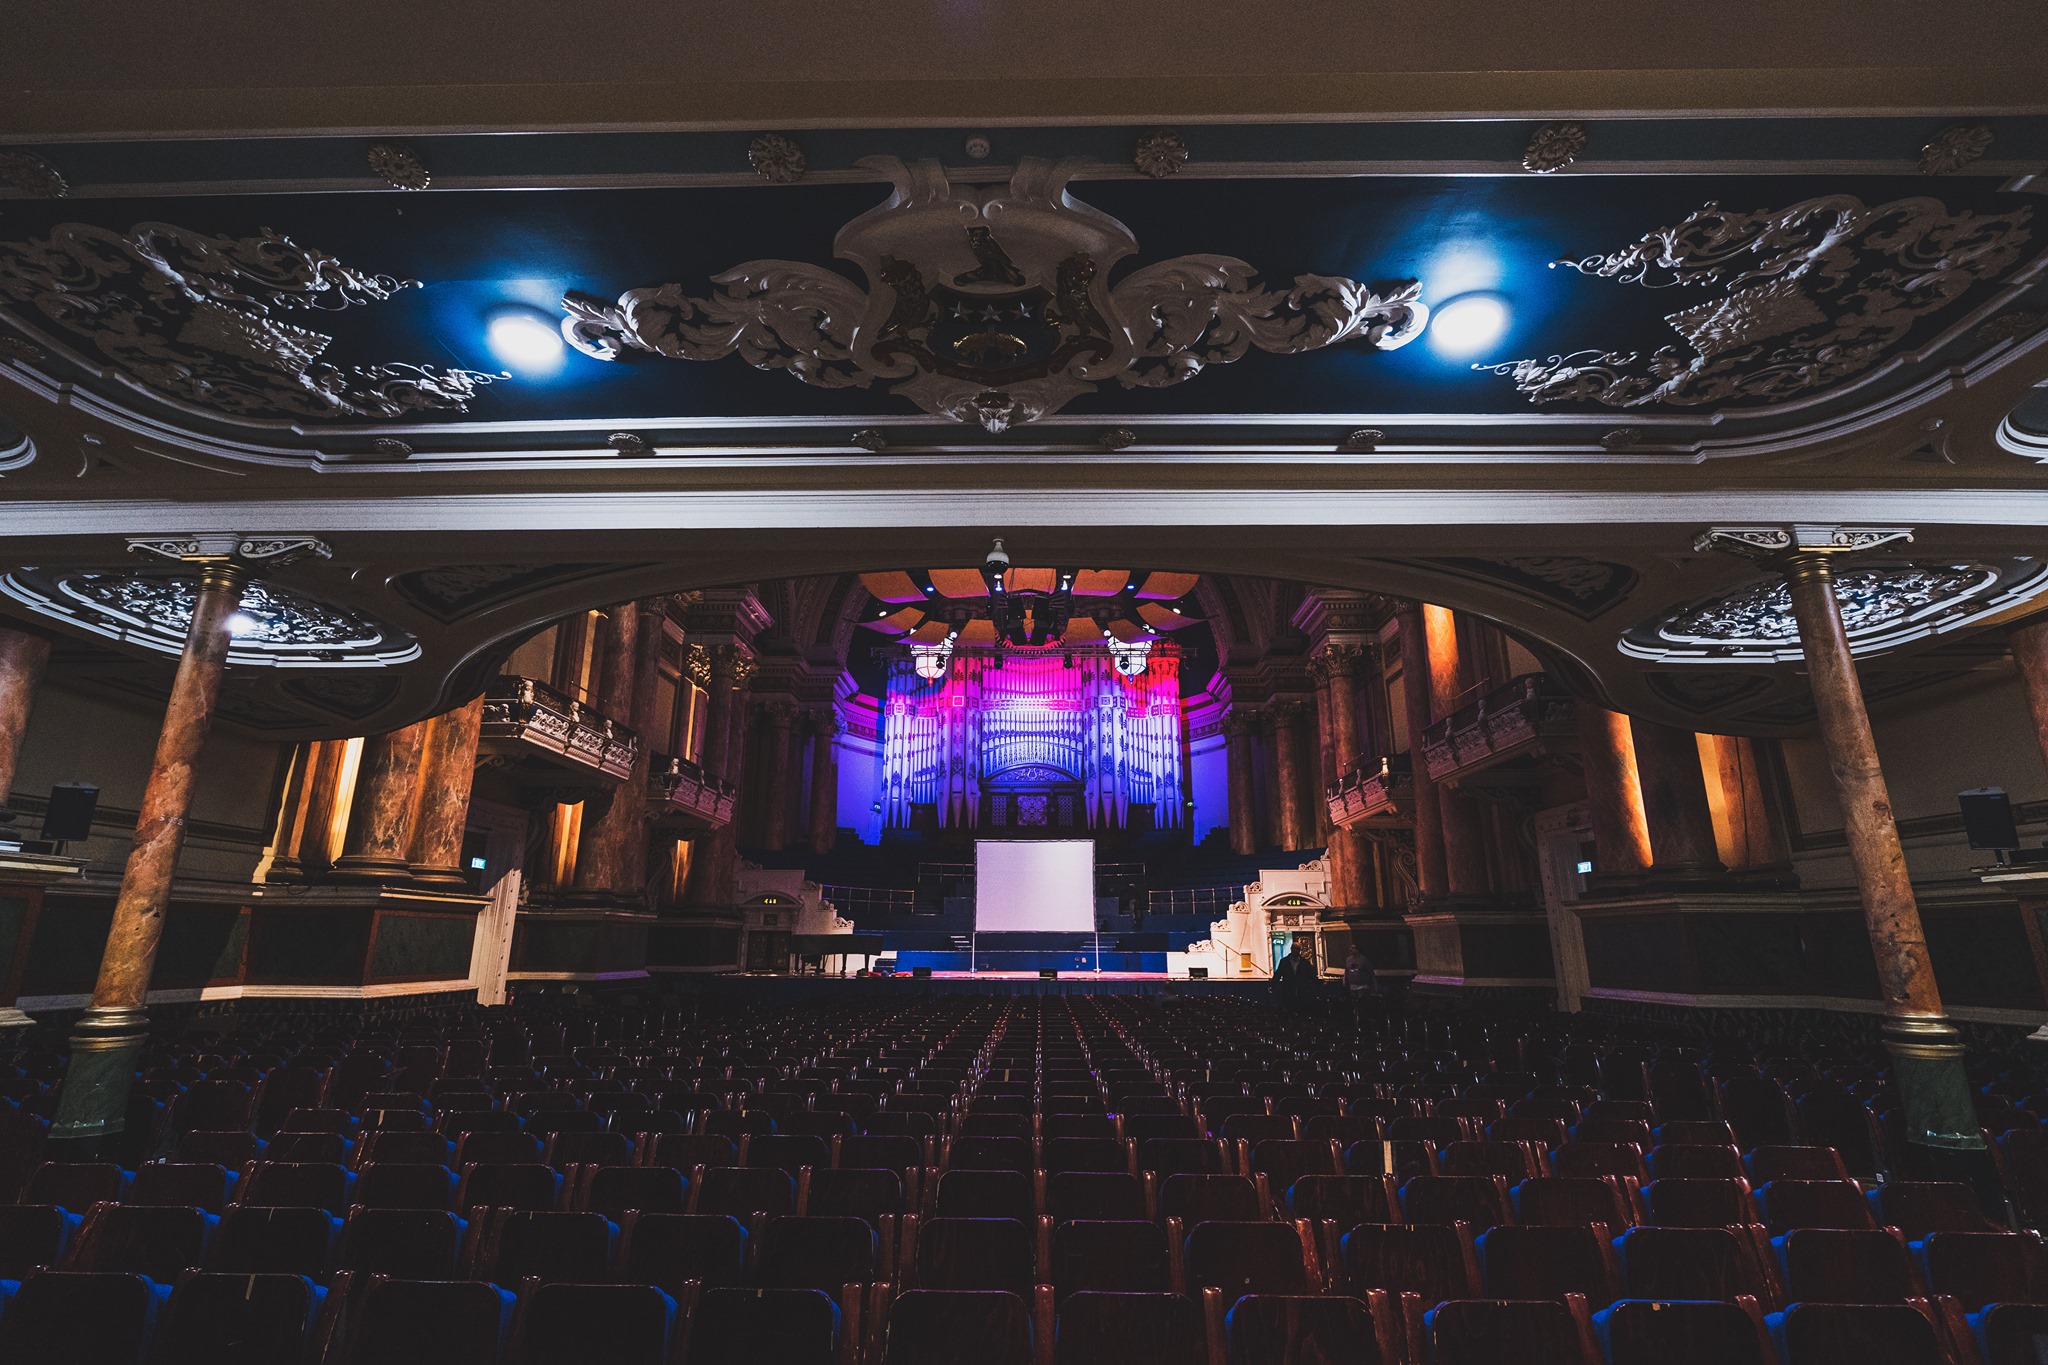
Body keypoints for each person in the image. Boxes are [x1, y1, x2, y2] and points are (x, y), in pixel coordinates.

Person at [1273, 938, 1318, 1014]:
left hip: (1301, 991)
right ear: (1291, 949)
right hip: (1288, 990)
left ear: (1300, 950)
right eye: (1294, 949)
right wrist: (1272, 984)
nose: (1295, 951)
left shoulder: (1304, 962)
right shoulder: (1284, 962)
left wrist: (1318, 983)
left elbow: (1311, 975)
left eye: (1297, 949)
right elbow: (1278, 974)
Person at [1344, 944, 1377, 1029]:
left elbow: (1371, 973)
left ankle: (1364, 1022)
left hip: (1362, 986)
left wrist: (1374, 985)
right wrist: (1344, 980)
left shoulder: (1364, 960)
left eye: (1353, 948)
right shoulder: (1348, 960)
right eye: (1350, 947)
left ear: (1358, 949)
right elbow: (1346, 971)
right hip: (1352, 986)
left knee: (1362, 1005)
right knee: (1354, 1004)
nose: (1351, 949)